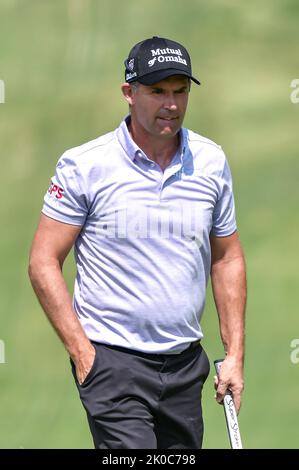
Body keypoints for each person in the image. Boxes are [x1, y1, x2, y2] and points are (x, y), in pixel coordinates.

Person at [28, 36, 246, 449]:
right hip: (113, 363)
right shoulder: (85, 165)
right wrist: (83, 354)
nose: (171, 104)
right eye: (157, 91)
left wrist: (234, 355)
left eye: (180, 92)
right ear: (129, 93)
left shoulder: (210, 162)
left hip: (185, 365)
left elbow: (228, 258)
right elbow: (43, 261)